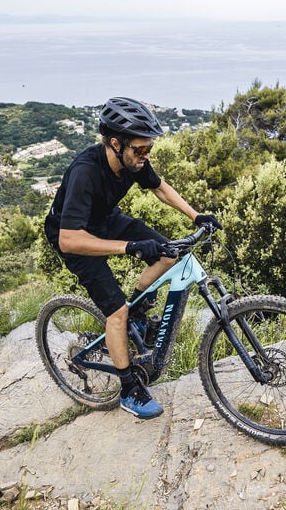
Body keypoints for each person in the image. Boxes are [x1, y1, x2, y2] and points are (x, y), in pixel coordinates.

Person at [44, 97, 221, 419]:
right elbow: (69, 240)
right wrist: (130, 247)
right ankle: (129, 390)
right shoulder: (86, 172)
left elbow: (160, 187)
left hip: (107, 219)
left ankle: (137, 315)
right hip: (75, 237)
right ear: (115, 143)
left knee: (172, 254)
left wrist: (197, 217)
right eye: (140, 149)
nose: (146, 155)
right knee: (116, 312)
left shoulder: (132, 162)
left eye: (148, 148)